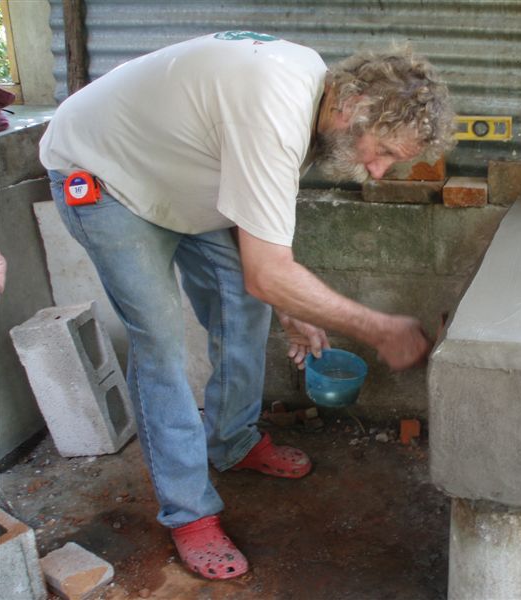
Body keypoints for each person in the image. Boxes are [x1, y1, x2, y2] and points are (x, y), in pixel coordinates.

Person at [39, 31, 455, 580]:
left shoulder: (317, 97)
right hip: (104, 176)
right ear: (355, 107)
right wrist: (379, 328)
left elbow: (262, 243)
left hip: (182, 180)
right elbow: (269, 270)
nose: (377, 171)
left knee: (247, 309)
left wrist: (287, 301)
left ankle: (232, 442)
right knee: (159, 342)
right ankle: (188, 513)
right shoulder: (277, 107)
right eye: (383, 153)